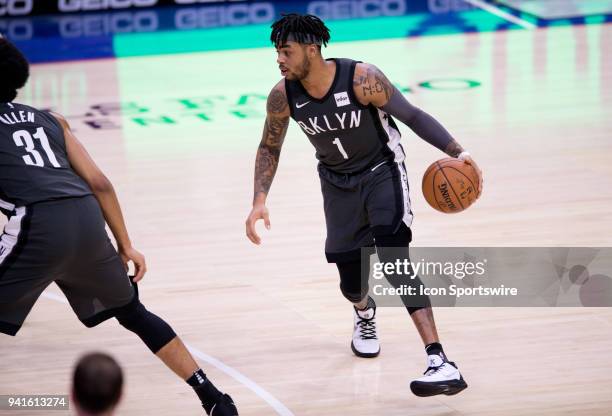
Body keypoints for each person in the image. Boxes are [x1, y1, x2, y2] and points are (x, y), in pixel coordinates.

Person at [245, 13, 482, 397]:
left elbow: (413, 115)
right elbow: (269, 145)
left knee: (394, 258)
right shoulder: (283, 95)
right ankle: (364, 312)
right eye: (277, 53)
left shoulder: (361, 78)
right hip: (337, 184)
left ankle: (439, 360)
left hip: (381, 171)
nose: (279, 60)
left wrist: (460, 152)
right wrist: (259, 201)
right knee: (351, 284)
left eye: (285, 51)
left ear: (311, 49)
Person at [0, 36, 238, 416]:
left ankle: (373, 299)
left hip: (39, 222)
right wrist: (125, 244)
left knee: (372, 262)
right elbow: (100, 183)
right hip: (86, 217)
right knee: (133, 312)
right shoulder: (52, 120)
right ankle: (212, 397)